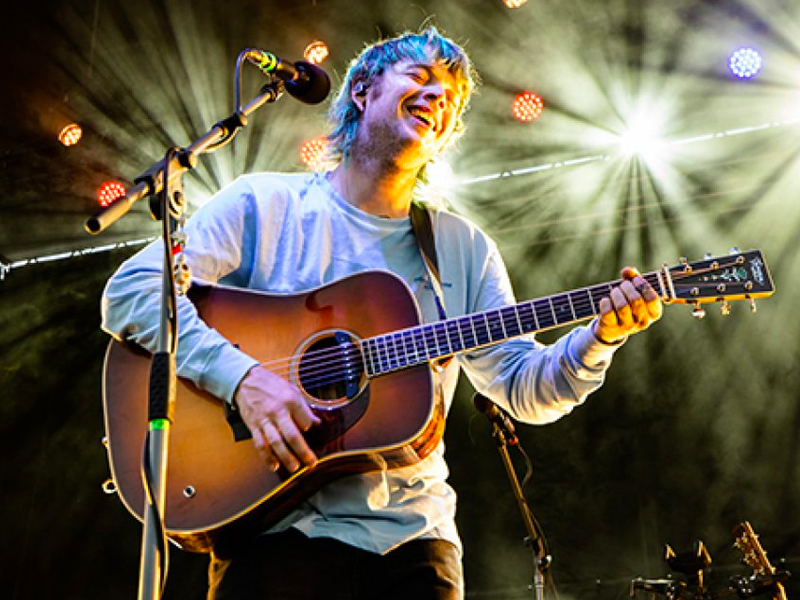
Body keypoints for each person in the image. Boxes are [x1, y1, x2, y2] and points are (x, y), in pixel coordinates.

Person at [101, 26, 662, 600]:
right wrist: (243, 380)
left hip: (413, 545)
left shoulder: (461, 249)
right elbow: (132, 293)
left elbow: (523, 388)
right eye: (420, 77)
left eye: (449, 97)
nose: (436, 97)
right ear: (363, 91)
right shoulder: (263, 205)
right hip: (274, 534)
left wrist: (599, 339)